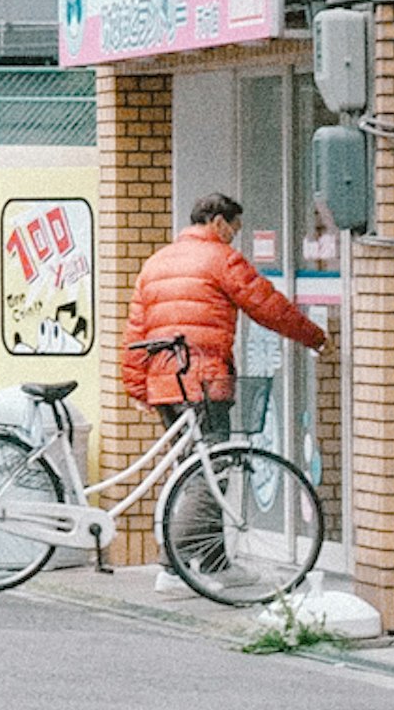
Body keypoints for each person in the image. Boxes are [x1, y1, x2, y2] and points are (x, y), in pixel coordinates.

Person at [122, 191, 328, 561]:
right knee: (209, 472)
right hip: (203, 383)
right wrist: (315, 336)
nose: (235, 236)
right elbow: (268, 306)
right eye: (234, 228)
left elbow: (136, 334)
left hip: (165, 386)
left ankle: (213, 564)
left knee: (193, 470)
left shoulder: (156, 263)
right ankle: (173, 562)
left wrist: (138, 388)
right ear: (218, 222)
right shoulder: (222, 259)